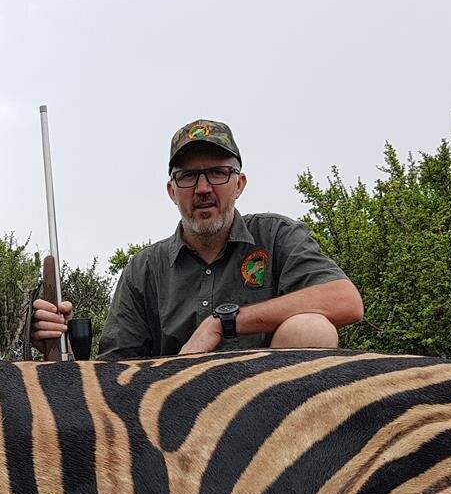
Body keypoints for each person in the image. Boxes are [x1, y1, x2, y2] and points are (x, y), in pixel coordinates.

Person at [31, 119, 363, 360]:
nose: (203, 189)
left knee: (310, 330)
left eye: (217, 173)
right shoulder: (144, 269)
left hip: (266, 417)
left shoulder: (277, 236)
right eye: (188, 176)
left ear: (239, 184)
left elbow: (345, 301)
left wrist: (223, 323)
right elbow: (116, 370)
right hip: (175, 428)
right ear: (172, 191)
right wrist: (62, 345)